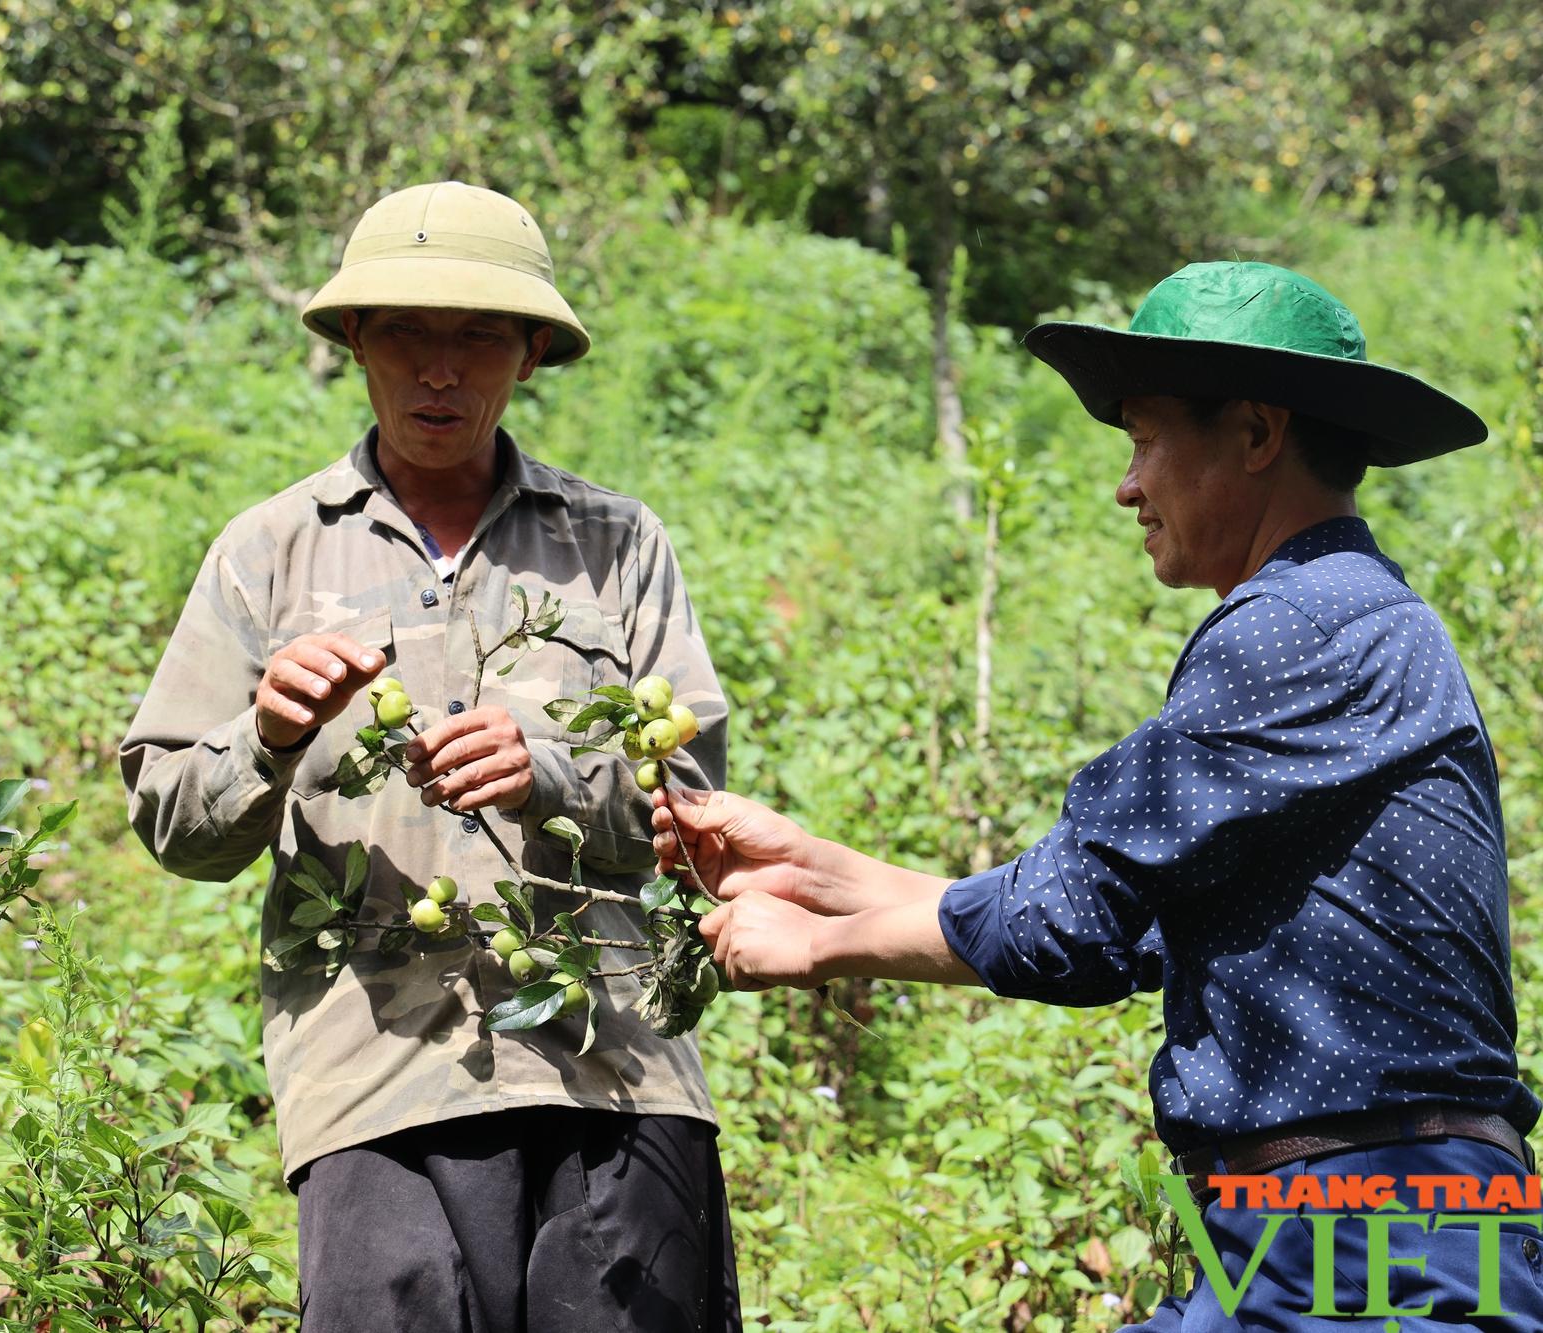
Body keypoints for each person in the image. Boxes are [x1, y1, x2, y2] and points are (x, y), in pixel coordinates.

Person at [656, 261, 1543, 1329]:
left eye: (1142, 439)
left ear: (1257, 433)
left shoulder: (1292, 625)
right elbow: (1135, 932)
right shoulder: (1352, 615)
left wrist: (810, 944)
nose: (1126, 487)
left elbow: (1067, 917)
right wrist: (820, 873)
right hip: (1334, 1222)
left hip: (1375, 1229)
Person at [120, 180, 741, 1332]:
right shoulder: (270, 552)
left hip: (614, 1070)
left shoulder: (613, 545)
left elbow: (699, 813)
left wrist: (549, 765)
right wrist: (263, 734)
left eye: (477, 337)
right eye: (404, 330)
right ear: (355, 340)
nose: (438, 370)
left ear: (531, 353)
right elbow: (172, 826)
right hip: (371, 1084)